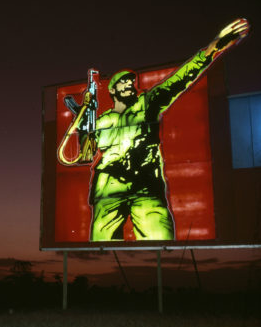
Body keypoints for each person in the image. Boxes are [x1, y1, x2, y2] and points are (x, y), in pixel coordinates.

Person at [88, 18, 249, 241]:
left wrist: (212, 49)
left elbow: (179, 80)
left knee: (160, 242)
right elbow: (84, 153)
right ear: (112, 90)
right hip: (108, 190)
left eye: (130, 81)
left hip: (145, 186)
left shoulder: (148, 102)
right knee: (101, 248)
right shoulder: (102, 120)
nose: (129, 84)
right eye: (122, 82)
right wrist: (84, 119)